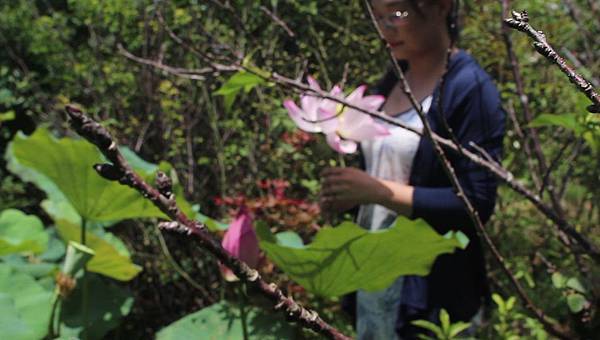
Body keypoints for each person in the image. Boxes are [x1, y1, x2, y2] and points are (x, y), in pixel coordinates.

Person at [319, 0, 506, 338]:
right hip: (374, 277)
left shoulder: (471, 90)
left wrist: (376, 191)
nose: (384, 27)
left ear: (441, 7)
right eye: (376, 16)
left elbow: (477, 203)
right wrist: (349, 194)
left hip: (431, 293)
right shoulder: (392, 79)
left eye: (396, 13)